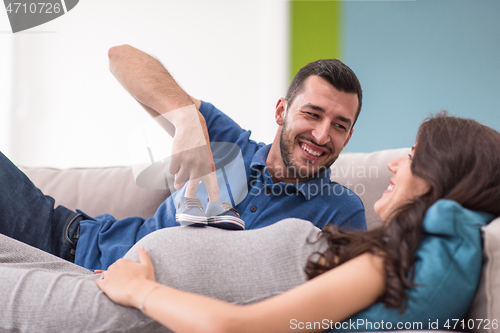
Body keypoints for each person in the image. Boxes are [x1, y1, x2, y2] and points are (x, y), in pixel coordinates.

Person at [1, 113, 499, 332]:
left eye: (410, 156)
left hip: (123, 300)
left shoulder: (385, 262)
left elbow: (235, 326)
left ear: (441, 178)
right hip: (108, 273)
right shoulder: (387, 251)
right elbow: (123, 58)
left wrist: (140, 292)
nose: (394, 165)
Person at [0, 45, 366, 271]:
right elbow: (121, 57)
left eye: (339, 125)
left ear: (348, 136)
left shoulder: (340, 210)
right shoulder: (230, 143)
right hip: (69, 238)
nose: (321, 135)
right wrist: (187, 119)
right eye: (313, 114)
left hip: (117, 286)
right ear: (281, 111)